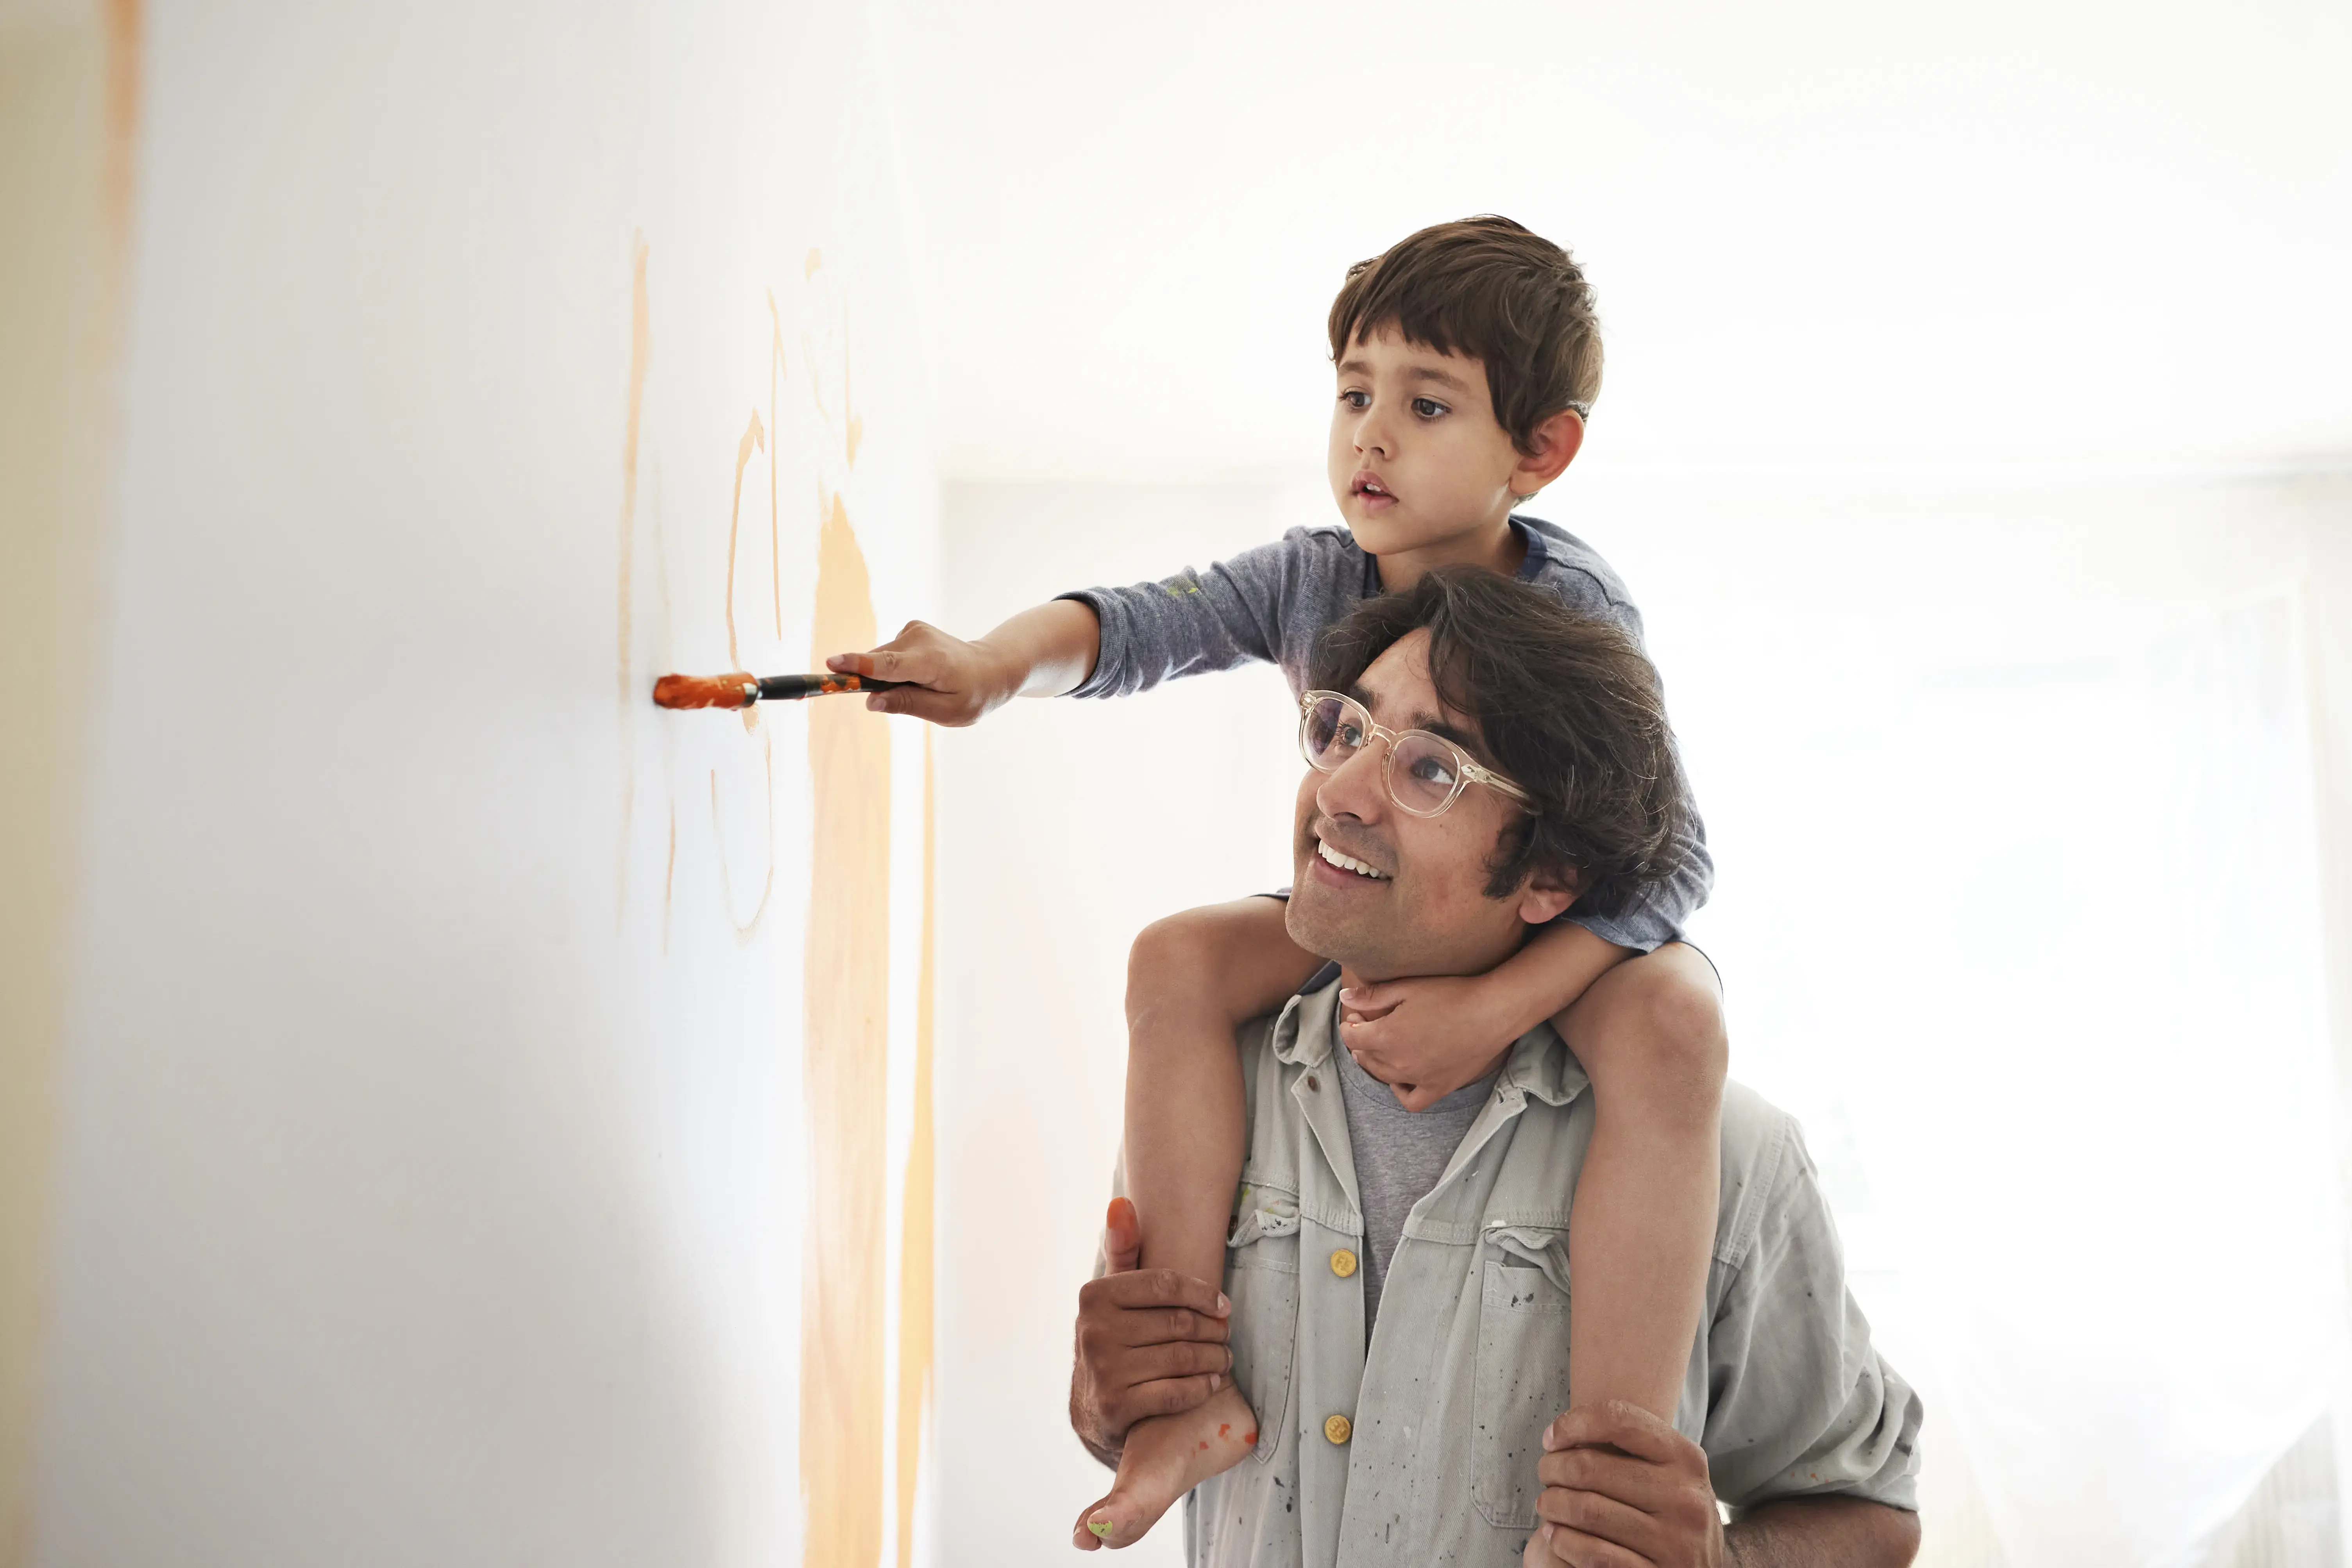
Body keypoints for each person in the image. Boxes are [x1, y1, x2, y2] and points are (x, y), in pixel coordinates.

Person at [829, 217, 1728, 1545]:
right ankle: (1183, 1398)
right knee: (1175, 959)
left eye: (1425, 407)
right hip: (1384, 907)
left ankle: (1603, 1493)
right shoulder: (1312, 574)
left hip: (1542, 927)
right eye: (1352, 394)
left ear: (1536, 452)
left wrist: (1498, 1005)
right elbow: (1130, 626)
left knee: (1674, 1014)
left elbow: (1671, 858)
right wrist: (983, 666)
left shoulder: (1577, 614)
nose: (1369, 436)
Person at [1067, 569, 1922, 1566]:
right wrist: (1106, 1400)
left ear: (1550, 876)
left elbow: (1873, 1514)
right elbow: (1125, 1408)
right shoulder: (1212, 1080)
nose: (1336, 794)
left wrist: (1722, 1564)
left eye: (1430, 769)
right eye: (1345, 732)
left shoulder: (1734, 1158)